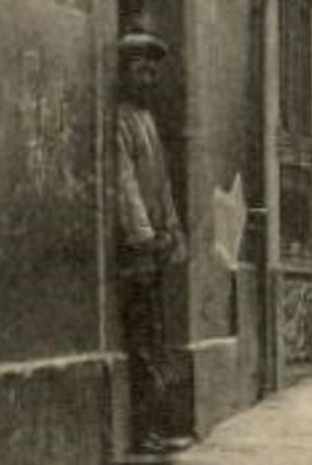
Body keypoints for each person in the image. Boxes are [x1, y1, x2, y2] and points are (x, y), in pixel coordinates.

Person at [116, 27, 192, 455]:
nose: (148, 80)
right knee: (143, 341)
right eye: (140, 72)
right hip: (137, 252)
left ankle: (158, 428)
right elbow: (126, 187)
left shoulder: (147, 120)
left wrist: (174, 232)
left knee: (157, 337)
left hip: (156, 248)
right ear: (125, 74)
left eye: (152, 73)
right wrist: (145, 239)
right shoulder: (121, 121)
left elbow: (160, 185)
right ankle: (145, 433)